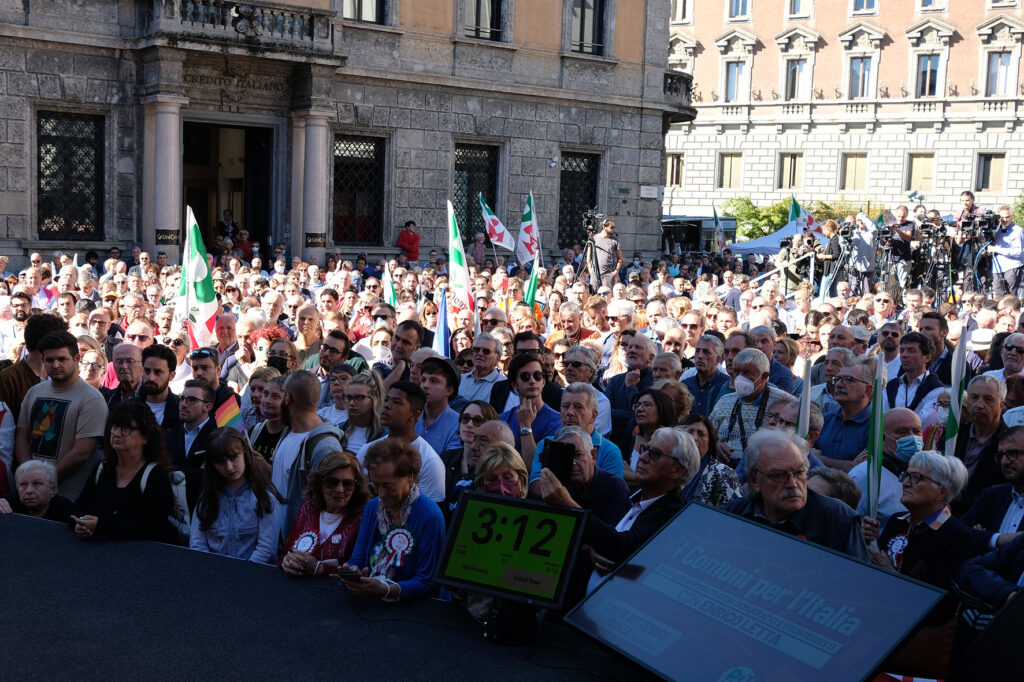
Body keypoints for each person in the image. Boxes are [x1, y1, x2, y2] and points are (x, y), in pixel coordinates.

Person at [581, 427, 697, 596]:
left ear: (677, 470)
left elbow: (625, 548)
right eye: (644, 449)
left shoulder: (674, 515)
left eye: (655, 454)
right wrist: (590, 550)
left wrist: (570, 505)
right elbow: (604, 535)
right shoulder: (630, 498)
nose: (642, 457)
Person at [726, 429, 870, 560]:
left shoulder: (837, 519)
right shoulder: (735, 513)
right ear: (754, 480)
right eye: (779, 475)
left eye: (799, 472)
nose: (792, 483)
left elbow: (857, 582)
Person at [863, 451, 973, 616]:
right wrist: (866, 541)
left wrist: (891, 574)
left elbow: (940, 605)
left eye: (916, 477)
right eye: (906, 475)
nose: (905, 483)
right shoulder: (898, 521)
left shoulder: (956, 536)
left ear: (941, 492)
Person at [339, 438, 446, 601]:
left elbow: (428, 582)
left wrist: (389, 589)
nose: (381, 494)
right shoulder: (372, 507)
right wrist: (353, 572)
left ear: (410, 478)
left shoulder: (429, 516)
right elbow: (359, 557)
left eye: (388, 486)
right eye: (375, 485)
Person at [14, 330, 107, 501]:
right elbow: (21, 437)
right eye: (49, 360)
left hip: (68, 497)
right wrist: (30, 477)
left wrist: (44, 482)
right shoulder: (34, 392)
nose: (55, 365)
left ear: (77, 359)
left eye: (62, 359)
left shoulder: (92, 399)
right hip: (29, 493)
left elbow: (82, 452)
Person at [72, 402, 177, 543]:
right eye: (114, 427)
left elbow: (153, 527)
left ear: (145, 437)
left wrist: (100, 526)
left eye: (126, 428)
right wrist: (81, 524)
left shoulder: (155, 475)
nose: (116, 433)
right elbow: (78, 509)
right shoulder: (102, 469)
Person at [190, 428, 283, 564]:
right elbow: (197, 544)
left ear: (245, 454)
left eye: (233, 457)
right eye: (220, 462)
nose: (229, 467)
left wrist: (242, 575)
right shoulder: (207, 499)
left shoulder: (264, 497)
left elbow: (267, 548)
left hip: (252, 576)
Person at [272, 370, 345, 537]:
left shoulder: (325, 447)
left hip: (300, 545)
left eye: (282, 392)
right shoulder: (288, 431)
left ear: (288, 398)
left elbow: (331, 504)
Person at [280, 452, 368, 577]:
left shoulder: (362, 520)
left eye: (347, 484)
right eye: (332, 482)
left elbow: (362, 571)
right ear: (320, 483)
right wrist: (286, 562)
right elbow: (285, 553)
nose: (340, 489)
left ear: (356, 487)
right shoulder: (308, 510)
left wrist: (320, 569)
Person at [356, 381, 446, 503]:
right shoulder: (367, 450)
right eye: (387, 399)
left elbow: (429, 513)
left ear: (415, 415)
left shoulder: (430, 461)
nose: (387, 405)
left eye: (397, 402)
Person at [535, 425, 630, 527]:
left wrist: (567, 502)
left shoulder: (615, 487)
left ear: (593, 456)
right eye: (566, 457)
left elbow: (612, 538)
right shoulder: (559, 485)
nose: (572, 463)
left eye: (578, 455)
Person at [710, 348, 789, 465]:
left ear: (763, 376)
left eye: (747, 372)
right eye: (736, 372)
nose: (740, 377)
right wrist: (714, 445)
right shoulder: (724, 401)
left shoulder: (784, 403)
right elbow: (707, 435)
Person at [848, 407, 921, 526]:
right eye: (902, 432)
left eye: (917, 432)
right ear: (883, 438)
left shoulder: (928, 474)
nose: (912, 438)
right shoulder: (865, 475)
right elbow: (849, 522)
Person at [948, 374, 1009, 514]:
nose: (980, 405)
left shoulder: (1010, 443)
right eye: (974, 398)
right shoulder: (954, 435)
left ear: (1001, 405)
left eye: (988, 399)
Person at [961, 425, 1024, 554]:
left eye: (1013, 453)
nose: (1004, 462)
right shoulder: (993, 495)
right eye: (1001, 455)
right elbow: (958, 531)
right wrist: (996, 539)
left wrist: (981, 538)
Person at [163, 379, 218, 508]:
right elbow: (160, 469)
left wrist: (173, 470)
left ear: (207, 406)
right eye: (182, 398)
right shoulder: (170, 435)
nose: (184, 404)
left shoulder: (218, 435)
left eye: (191, 400)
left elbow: (209, 477)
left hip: (205, 509)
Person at [439, 401, 500, 515]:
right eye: (465, 418)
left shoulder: (495, 465)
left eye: (477, 421)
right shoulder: (446, 458)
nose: (469, 424)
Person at [498, 352, 562, 457]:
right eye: (525, 376)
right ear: (514, 383)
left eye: (538, 376)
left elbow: (535, 468)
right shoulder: (503, 420)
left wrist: (525, 426)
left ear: (544, 381)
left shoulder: (556, 421)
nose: (532, 381)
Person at [817, 360, 876, 471]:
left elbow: (860, 471)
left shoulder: (877, 426)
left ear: (867, 390)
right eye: (837, 379)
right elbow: (807, 456)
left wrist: (820, 458)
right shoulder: (825, 419)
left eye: (849, 380)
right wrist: (844, 465)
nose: (838, 384)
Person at [680, 414, 741, 508]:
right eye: (690, 432)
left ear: (710, 442)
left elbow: (735, 512)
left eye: (701, 434)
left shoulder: (723, 473)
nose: (694, 438)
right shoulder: (669, 465)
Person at [0, 459, 74, 522]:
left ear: (52, 489)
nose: (29, 491)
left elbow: (80, 520)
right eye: (23, 484)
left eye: (37, 483)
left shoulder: (65, 509)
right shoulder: (7, 504)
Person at [415, 357, 462, 456]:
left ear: (449, 390)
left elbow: (448, 463)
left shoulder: (458, 425)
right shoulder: (410, 417)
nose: (425, 385)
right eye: (423, 380)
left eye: (433, 381)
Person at [683, 335, 730, 417]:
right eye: (697, 351)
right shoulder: (685, 385)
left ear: (718, 359)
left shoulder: (727, 386)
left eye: (706, 352)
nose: (700, 356)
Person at [138, 343, 180, 430]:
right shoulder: (128, 409)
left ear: (171, 375)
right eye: (147, 371)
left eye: (158, 372)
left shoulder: (182, 410)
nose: (151, 378)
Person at [987, 204, 1024, 297]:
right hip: (997, 268)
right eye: (1001, 217)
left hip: (1012, 267)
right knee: (999, 296)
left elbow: (1018, 252)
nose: (1004, 220)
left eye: (1007, 217)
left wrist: (997, 249)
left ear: (1012, 217)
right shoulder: (997, 230)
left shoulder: (1018, 231)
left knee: (1011, 297)